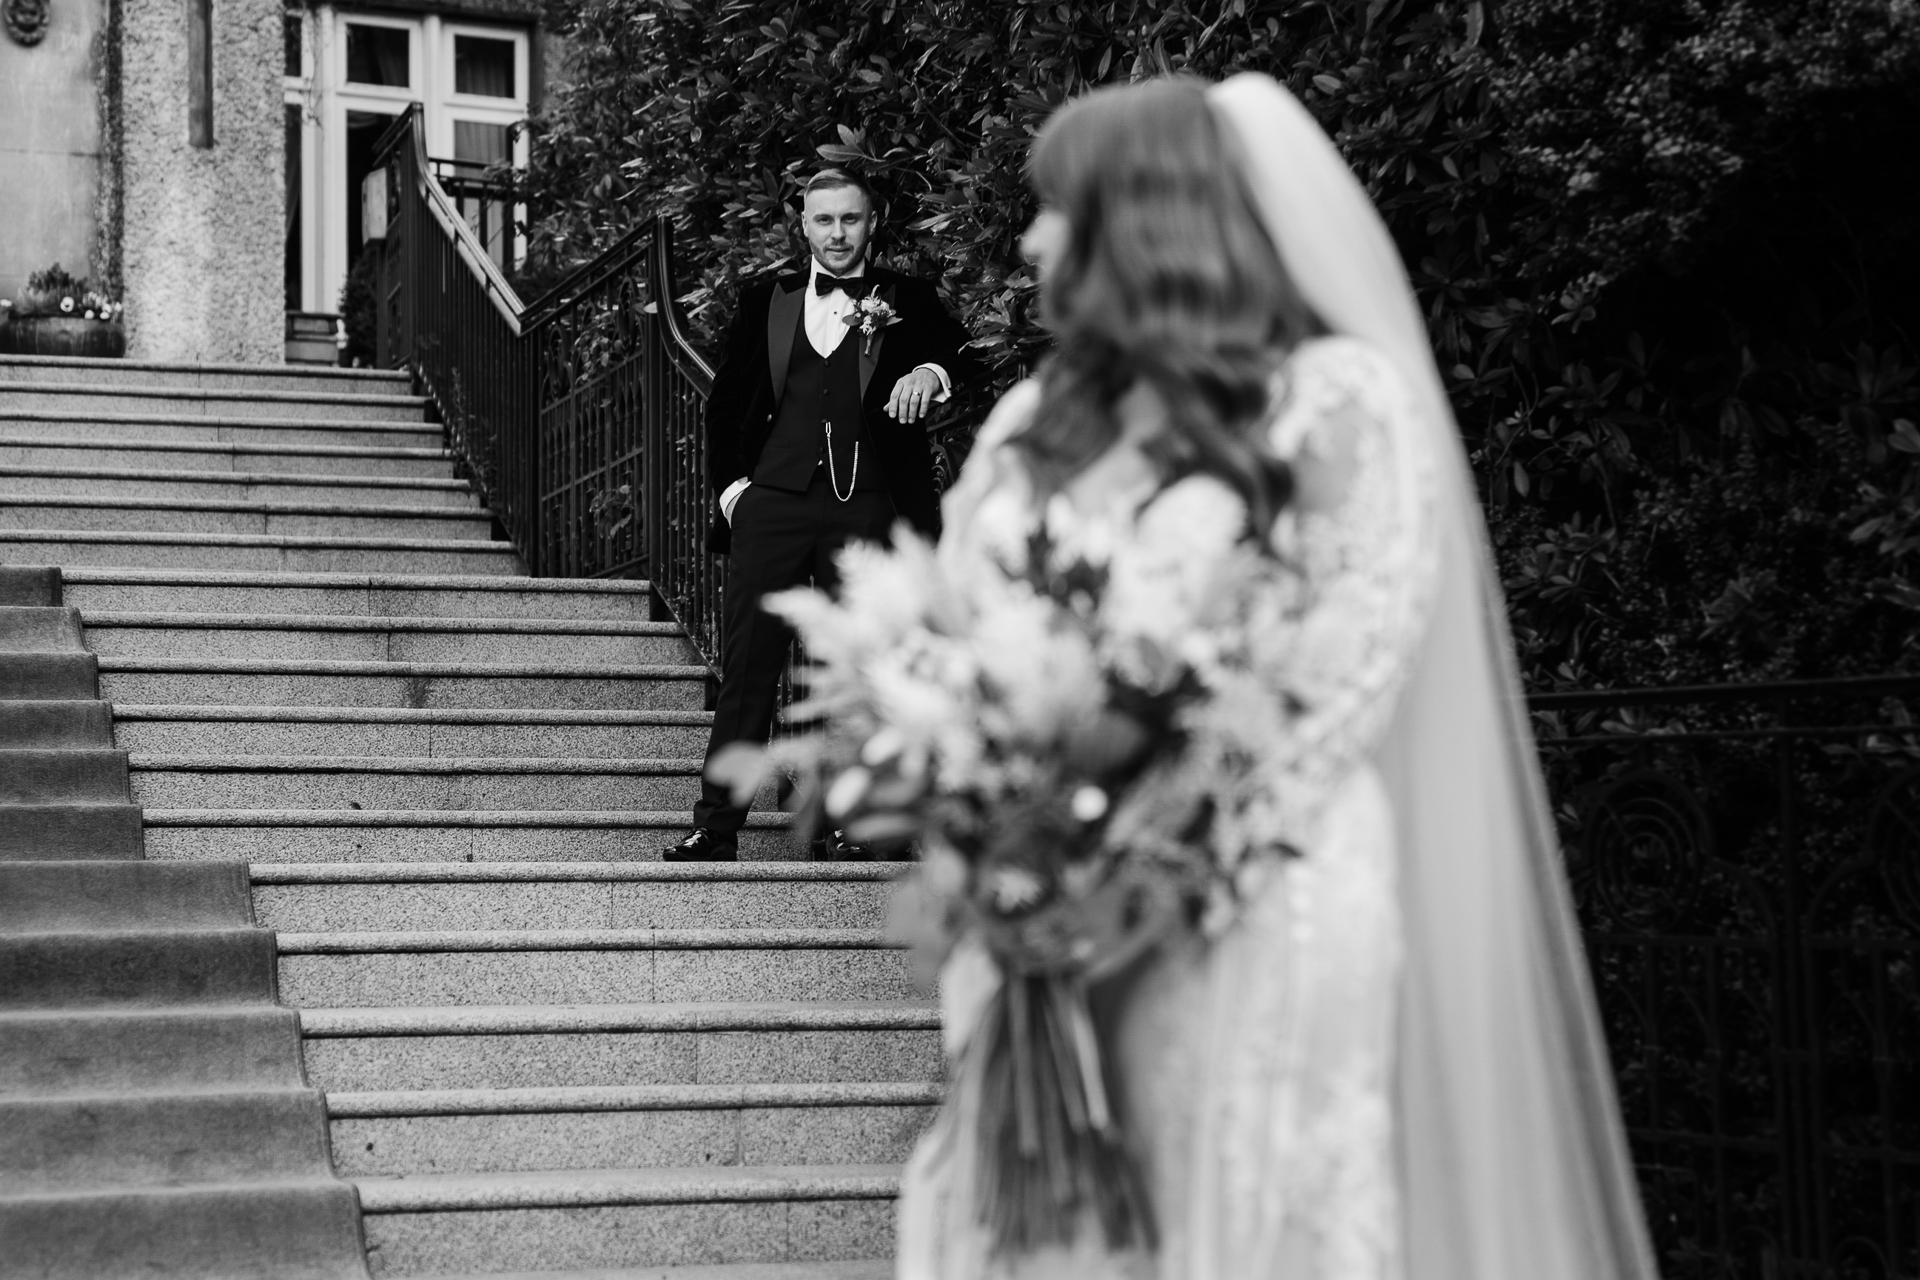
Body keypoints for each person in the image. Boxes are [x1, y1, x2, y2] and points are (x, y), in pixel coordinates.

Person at [895, 75, 1658, 1279]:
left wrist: (1115, 859)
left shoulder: (1338, 401)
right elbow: (937, 652)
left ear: (1135, 220)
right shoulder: (1029, 424)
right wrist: (997, 837)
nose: (1028, 239)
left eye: (1052, 207)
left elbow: (1344, 683)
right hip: (1033, 919)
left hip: (1253, 898)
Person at [665, 168, 979, 862]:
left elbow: (966, 358)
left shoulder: (910, 299)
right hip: (772, 502)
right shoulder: (764, 302)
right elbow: (726, 406)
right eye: (824, 221)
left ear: (874, 222)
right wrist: (734, 494)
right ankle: (717, 825)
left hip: (868, 507)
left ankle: (852, 823)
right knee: (748, 663)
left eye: (851, 220)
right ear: (802, 224)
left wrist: (931, 372)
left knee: (855, 669)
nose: (838, 234)